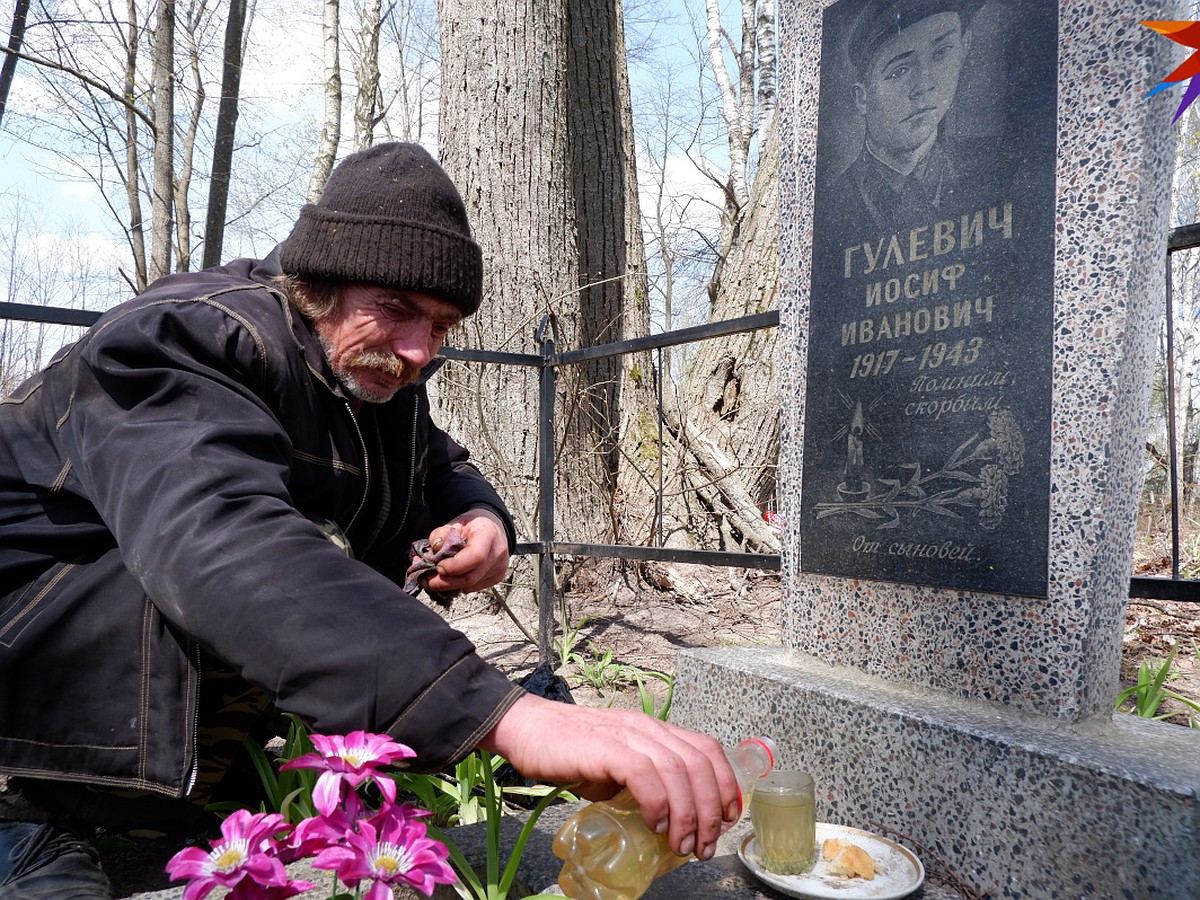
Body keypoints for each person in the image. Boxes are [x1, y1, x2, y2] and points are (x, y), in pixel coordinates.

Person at [0, 142, 739, 896]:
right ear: (317, 284)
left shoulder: (365, 371)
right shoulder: (179, 343)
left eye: (443, 325)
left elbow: (439, 465)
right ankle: (29, 814)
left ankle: (198, 797)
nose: (420, 351)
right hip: (30, 698)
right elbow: (224, 544)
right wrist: (503, 717)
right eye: (395, 310)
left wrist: (483, 520)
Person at [829, 0, 986, 239]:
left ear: (965, 47)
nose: (924, 85)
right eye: (899, 70)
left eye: (941, 52)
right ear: (862, 98)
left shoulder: (997, 167)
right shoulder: (835, 203)